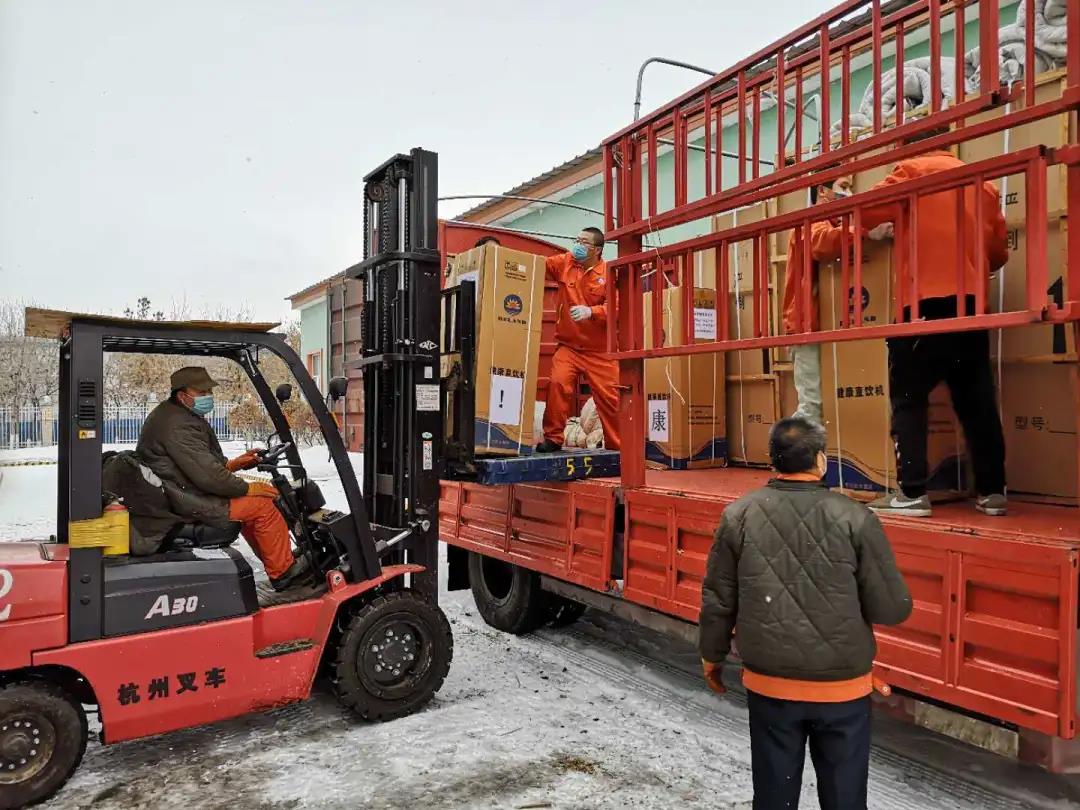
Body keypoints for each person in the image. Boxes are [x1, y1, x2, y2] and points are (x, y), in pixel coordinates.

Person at [699, 416, 912, 810]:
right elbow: (892, 608)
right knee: (845, 798)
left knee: (774, 797)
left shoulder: (739, 515)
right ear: (820, 460)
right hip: (842, 689)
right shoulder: (856, 517)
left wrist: (712, 656)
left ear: (773, 461)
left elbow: (718, 597)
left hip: (770, 686)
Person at [861, 142, 1009, 518]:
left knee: (909, 398)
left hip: (923, 305)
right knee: (977, 401)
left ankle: (912, 492)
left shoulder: (910, 172)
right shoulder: (984, 185)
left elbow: (863, 213)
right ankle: (993, 493)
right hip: (971, 308)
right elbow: (999, 251)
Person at [137, 366, 311, 591]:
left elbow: (199, 466)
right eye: (201, 393)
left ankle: (279, 561)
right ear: (182, 395)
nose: (208, 396)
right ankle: (284, 572)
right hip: (184, 500)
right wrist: (249, 489)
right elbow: (210, 478)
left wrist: (236, 464)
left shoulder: (177, 414)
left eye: (209, 390)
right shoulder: (177, 424)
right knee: (263, 506)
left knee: (254, 507)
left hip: (183, 492)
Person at [783, 173, 892, 423]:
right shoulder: (810, 222)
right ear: (823, 190)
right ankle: (789, 458)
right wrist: (866, 232)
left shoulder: (836, 224)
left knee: (831, 401)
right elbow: (821, 244)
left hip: (830, 324)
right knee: (813, 404)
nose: (849, 193)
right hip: (807, 324)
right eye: (843, 187)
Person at [537, 226, 621, 452]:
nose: (577, 245)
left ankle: (618, 447)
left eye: (583, 242)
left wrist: (591, 312)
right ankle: (553, 439)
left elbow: (617, 308)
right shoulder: (565, 263)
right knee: (557, 385)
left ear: (597, 250)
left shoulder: (609, 273)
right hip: (569, 346)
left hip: (600, 350)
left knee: (611, 398)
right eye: (576, 239)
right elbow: (535, 267)